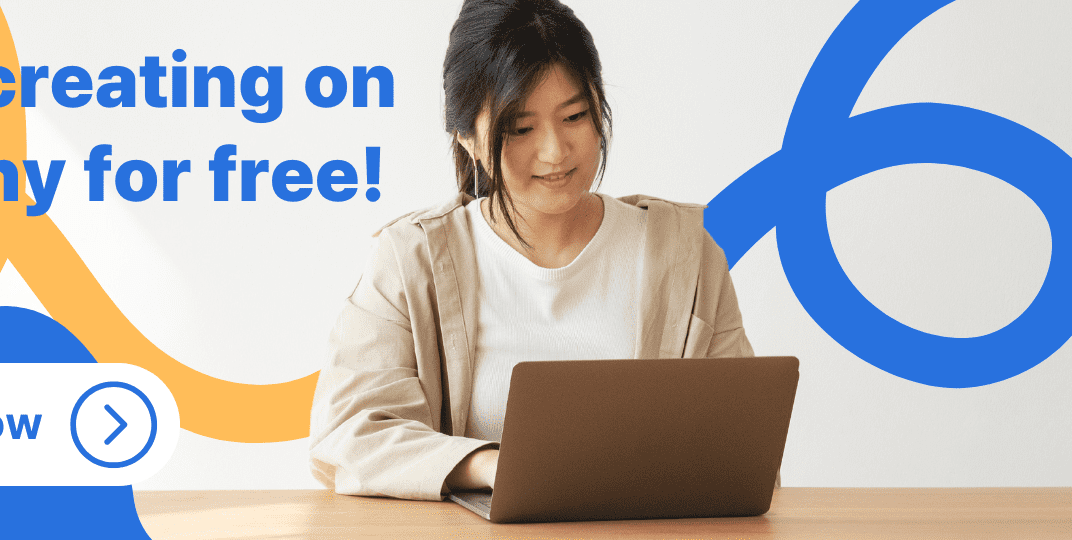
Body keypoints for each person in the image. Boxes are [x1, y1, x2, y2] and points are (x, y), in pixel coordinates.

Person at [308, 0, 754, 501]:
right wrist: (488, 465)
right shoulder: (411, 258)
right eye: (521, 128)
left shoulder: (685, 250)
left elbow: (744, 448)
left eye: (575, 116)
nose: (555, 151)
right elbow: (347, 436)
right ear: (467, 138)